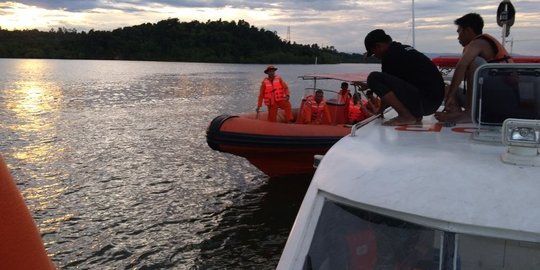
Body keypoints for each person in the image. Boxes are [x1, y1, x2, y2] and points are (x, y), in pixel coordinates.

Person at [435, 13, 514, 123]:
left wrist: (450, 96)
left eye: (459, 32)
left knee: (471, 63)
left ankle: (469, 112)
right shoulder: (479, 44)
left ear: (468, 30)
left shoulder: (479, 43)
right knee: (445, 88)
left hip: (500, 98)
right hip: (487, 98)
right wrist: (449, 93)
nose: (458, 37)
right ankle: (455, 112)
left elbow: (461, 66)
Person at [363, 29, 445, 126]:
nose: (375, 56)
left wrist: (380, 111)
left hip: (425, 103)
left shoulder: (389, 56)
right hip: (434, 101)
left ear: (378, 46)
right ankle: (414, 115)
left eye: (373, 52)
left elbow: (386, 88)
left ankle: (405, 116)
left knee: (373, 78)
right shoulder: (404, 49)